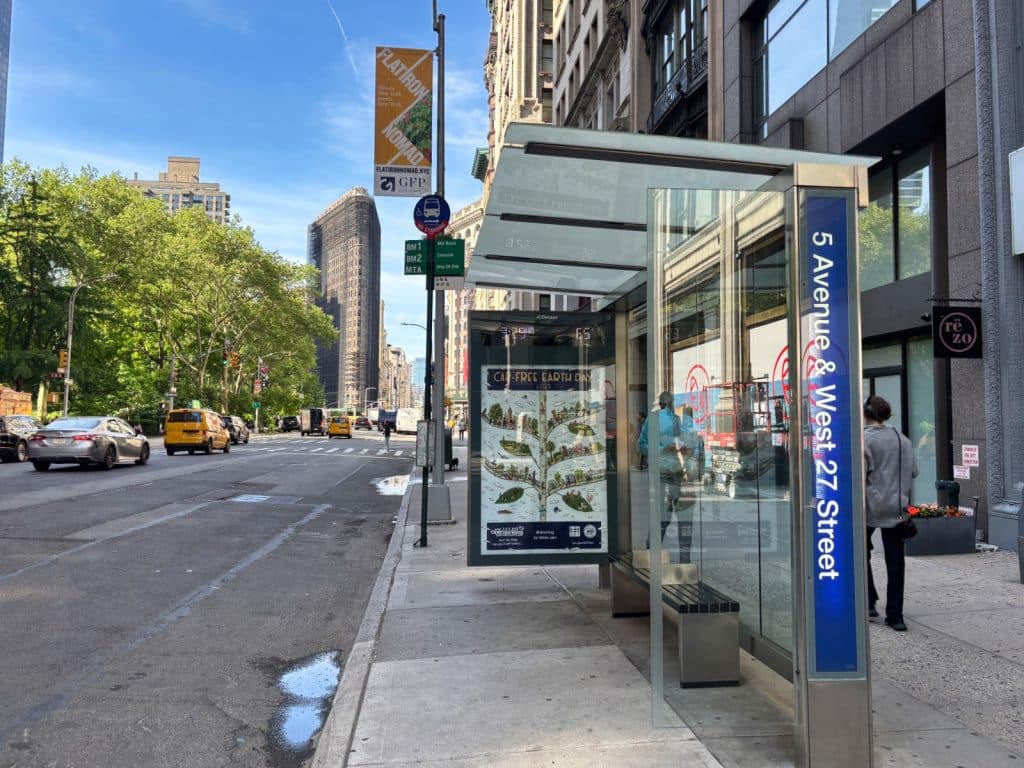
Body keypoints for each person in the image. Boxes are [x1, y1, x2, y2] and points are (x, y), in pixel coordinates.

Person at [864, 394, 918, 632]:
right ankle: (896, 615)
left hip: (869, 506)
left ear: (865, 414)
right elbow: (913, 471)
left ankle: (869, 600)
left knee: (859, 552)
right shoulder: (903, 439)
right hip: (898, 507)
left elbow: (860, 474)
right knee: (896, 562)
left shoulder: (864, 440)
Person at [636, 391, 695, 561]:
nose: (670, 406)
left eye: (671, 402)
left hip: (680, 474)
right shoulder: (654, 420)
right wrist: (663, 451)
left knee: (679, 518)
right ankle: (653, 553)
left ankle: (681, 558)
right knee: (666, 516)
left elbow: (641, 446)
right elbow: (641, 446)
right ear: (663, 404)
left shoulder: (682, 421)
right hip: (664, 474)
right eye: (668, 403)